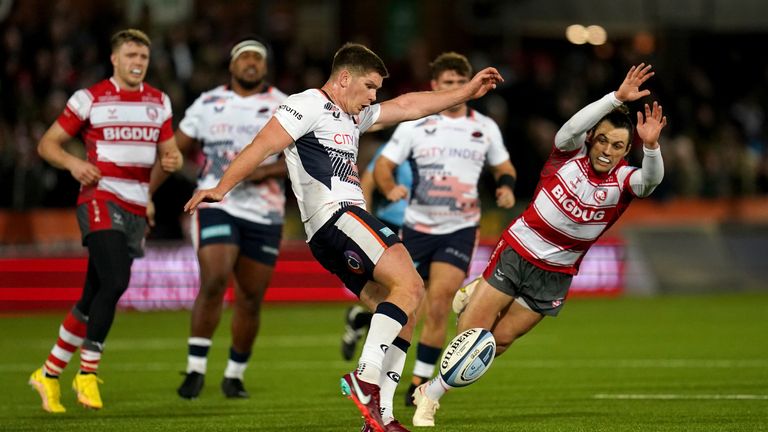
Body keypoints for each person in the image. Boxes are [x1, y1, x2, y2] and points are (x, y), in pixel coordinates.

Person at [184, 43, 503, 432]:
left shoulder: (354, 115)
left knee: (403, 310)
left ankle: (380, 419)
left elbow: (410, 105)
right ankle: (365, 378)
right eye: (369, 86)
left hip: (330, 231)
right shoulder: (308, 104)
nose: (373, 97)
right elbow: (262, 146)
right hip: (338, 215)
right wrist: (222, 187)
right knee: (411, 284)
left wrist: (466, 92)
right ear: (345, 78)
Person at [411, 63, 667, 427]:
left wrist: (653, 147)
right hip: (518, 251)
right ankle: (434, 392)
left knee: (496, 344)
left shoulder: (625, 180)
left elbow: (652, 181)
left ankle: (430, 391)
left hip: (556, 274)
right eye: (604, 140)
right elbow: (570, 129)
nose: (608, 150)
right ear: (592, 138)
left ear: (627, 152)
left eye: (619, 146)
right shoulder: (568, 156)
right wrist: (615, 99)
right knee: (471, 334)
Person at [29, 29, 182, 413]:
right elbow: (48, 144)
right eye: (131, 55)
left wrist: (172, 161)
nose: (137, 63)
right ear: (114, 59)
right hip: (100, 198)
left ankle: (47, 375)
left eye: (143, 57)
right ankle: (87, 373)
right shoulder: (90, 99)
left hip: (135, 204)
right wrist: (74, 163)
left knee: (91, 297)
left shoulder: (158, 102)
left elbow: (169, 153)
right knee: (115, 281)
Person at [372, 52, 518, 408]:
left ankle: (419, 380)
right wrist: (389, 188)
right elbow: (383, 166)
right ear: (435, 86)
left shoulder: (484, 127)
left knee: (439, 305)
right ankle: (384, 370)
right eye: (447, 83)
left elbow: (504, 165)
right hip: (418, 226)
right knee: (407, 306)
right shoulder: (414, 125)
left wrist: (506, 185)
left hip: (460, 228)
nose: (454, 89)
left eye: (459, 83)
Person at [174, 37, 288, 399]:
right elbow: (175, 150)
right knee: (215, 278)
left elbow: (302, 160)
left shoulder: (284, 105)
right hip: (217, 202)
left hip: (265, 212)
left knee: (251, 297)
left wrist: (267, 170)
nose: (251, 62)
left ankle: (234, 375)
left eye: (258, 57)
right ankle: (195, 369)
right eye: (244, 57)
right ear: (232, 65)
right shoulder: (207, 104)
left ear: (265, 67)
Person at [341, 145, 412, 362]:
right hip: (390, 226)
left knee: (413, 302)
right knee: (406, 299)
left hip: (422, 230)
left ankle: (361, 319)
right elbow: (368, 182)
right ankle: (375, 368)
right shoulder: (399, 145)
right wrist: (366, 226)